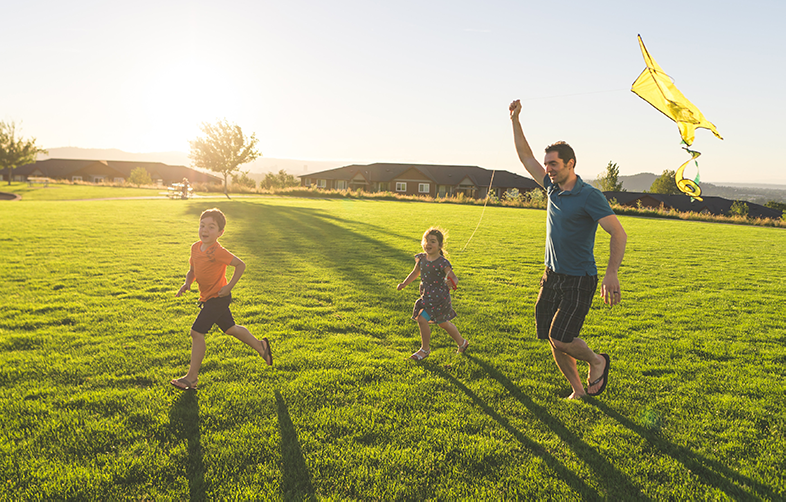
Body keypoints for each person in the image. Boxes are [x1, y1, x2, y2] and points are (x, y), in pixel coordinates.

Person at [509, 99, 627, 400]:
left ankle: (598, 361)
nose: (547, 169)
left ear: (570, 164)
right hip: (552, 276)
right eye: (547, 164)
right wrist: (515, 120)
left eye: (553, 164)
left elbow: (618, 233)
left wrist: (611, 273)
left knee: (560, 336)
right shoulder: (551, 188)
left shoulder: (590, 196)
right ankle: (578, 390)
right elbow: (525, 157)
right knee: (553, 338)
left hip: (579, 278)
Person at [171, 208, 272, 391]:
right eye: (202, 226)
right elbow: (193, 270)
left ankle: (191, 378)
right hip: (208, 298)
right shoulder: (195, 248)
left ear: (220, 233)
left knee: (196, 332)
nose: (205, 230)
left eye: (211, 227)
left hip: (218, 298)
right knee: (230, 329)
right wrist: (187, 283)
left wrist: (229, 287)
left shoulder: (218, 251)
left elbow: (241, 265)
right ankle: (261, 346)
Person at [397, 227, 469, 361]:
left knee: (422, 319)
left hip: (439, 297)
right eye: (426, 240)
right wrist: (404, 283)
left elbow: (453, 277)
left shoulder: (442, 262)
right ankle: (462, 343)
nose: (428, 244)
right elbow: (415, 273)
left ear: (440, 245)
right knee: (443, 323)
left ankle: (425, 350)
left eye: (433, 241)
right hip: (427, 294)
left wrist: (452, 282)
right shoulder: (421, 258)